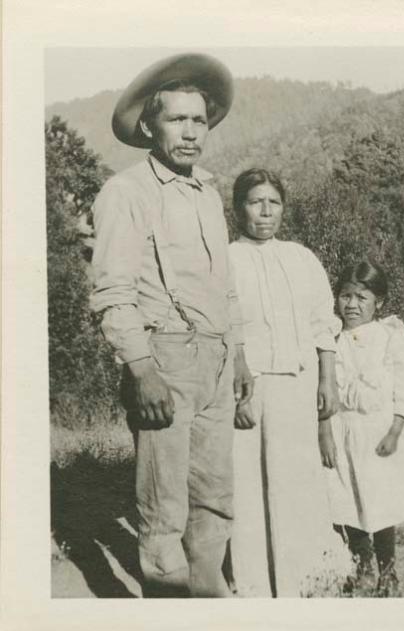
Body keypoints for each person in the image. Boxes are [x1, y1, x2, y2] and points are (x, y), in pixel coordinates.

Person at [90, 53, 253, 598]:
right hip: (164, 357)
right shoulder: (126, 193)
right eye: (176, 119)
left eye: (199, 120)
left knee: (215, 498)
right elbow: (112, 293)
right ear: (148, 126)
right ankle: (167, 611)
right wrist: (143, 370)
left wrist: (239, 357)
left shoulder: (207, 192)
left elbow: (223, 285)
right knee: (164, 508)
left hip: (217, 360)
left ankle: (206, 603)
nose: (190, 132)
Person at [227, 168, 352, 597]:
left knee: (298, 485)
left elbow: (323, 325)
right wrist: (239, 394)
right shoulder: (226, 260)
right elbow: (229, 331)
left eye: (273, 202)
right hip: (251, 390)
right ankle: (257, 588)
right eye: (255, 201)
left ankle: (306, 585)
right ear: (238, 207)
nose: (265, 211)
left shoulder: (301, 258)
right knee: (250, 488)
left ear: (284, 208)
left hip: (299, 390)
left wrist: (327, 381)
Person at [319, 260, 404, 596]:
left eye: (361, 297)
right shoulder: (329, 340)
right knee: (347, 501)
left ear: (379, 302)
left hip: (378, 433)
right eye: (345, 296)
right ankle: (362, 565)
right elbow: (323, 391)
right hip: (342, 430)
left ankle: (388, 570)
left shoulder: (390, 334)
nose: (351, 304)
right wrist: (325, 433)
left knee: (380, 503)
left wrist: (395, 429)